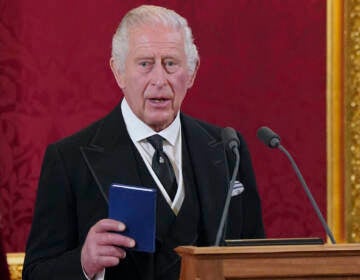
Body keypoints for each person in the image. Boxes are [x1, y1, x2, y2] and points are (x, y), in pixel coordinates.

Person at [23, 5, 265, 280]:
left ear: (192, 72)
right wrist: (84, 262)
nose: (159, 80)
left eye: (171, 63)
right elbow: (36, 273)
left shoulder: (227, 149)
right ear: (119, 72)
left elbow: (254, 260)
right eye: (145, 64)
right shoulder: (69, 160)